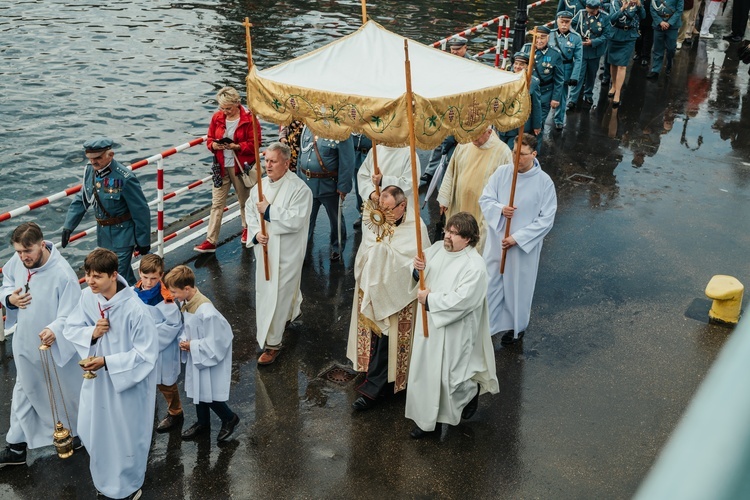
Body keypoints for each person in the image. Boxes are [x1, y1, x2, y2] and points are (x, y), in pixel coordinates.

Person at [63, 248, 158, 500]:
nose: (90, 281)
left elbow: (146, 355)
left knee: (125, 435)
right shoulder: (87, 298)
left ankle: (129, 486)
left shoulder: (136, 310)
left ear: (114, 275)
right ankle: (104, 482)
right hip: (97, 382)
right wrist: (92, 334)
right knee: (93, 429)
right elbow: (72, 327)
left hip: (126, 384)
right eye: (87, 275)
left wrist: (106, 361)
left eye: (97, 276)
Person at [405, 212, 500, 439]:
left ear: (468, 239)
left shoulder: (474, 266)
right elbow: (421, 272)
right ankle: (428, 422)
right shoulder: (438, 248)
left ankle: (471, 391)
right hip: (429, 326)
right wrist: (416, 268)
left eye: (454, 233)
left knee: (450, 380)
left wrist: (430, 301)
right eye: (447, 230)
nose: (447, 236)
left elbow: (463, 300)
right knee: (425, 373)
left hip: (454, 330)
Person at [0, 222, 82, 468]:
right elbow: (6, 283)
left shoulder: (63, 274)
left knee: (64, 392)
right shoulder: (18, 262)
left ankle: (77, 433)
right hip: (24, 342)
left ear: (42, 243)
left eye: (28, 251)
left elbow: (73, 314)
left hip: (52, 347)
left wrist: (54, 329)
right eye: (18, 252)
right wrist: (10, 299)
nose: (23, 257)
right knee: (24, 390)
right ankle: (16, 447)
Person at [346, 186, 430, 410]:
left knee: (388, 343)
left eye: (389, 209)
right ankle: (369, 372)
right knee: (373, 337)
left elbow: (422, 264)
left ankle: (376, 388)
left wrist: (417, 269)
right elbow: (366, 249)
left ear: (403, 206)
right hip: (372, 289)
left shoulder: (417, 229)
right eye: (381, 208)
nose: (383, 214)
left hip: (397, 296)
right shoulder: (377, 220)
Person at [479, 134, 557, 345]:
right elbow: (485, 199)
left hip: (523, 248)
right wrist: (501, 210)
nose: (516, 158)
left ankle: (516, 328)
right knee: (492, 284)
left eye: (521, 154)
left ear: (534, 154)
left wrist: (517, 238)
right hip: (497, 242)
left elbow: (546, 219)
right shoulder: (503, 173)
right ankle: (487, 326)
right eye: (514, 152)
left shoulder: (544, 183)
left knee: (517, 288)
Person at [246, 142, 313, 365]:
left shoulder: (300, 189)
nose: (268, 165)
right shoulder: (260, 187)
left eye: (273, 161)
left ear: (286, 163)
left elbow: (296, 220)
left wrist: (270, 211)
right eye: (266, 160)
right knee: (268, 292)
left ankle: (272, 344)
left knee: (278, 293)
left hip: (287, 253)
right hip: (266, 250)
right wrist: (256, 234)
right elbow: (250, 211)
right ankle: (291, 310)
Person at [164, 265, 239, 443]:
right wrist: (184, 340)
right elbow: (187, 327)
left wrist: (193, 345)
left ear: (187, 288)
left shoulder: (206, 311)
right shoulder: (187, 302)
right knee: (199, 389)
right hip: (196, 355)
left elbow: (219, 340)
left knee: (208, 393)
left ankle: (229, 418)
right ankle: (203, 422)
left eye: (174, 292)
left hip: (207, 357)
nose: (172, 296)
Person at [62, 137, 151, 285]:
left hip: (123, 236)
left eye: (97, 158)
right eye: (90, 158)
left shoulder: (124, 178)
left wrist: (143, 241)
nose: (93, 162)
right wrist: (68, 226)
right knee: (123, 276)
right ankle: (138, 300)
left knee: (115, 278)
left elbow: (140, 211)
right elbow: (82, 199)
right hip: (104, 236)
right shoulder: (91, 171)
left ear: (111, 155)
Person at [194, 86, 262, 253]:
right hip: (221, 166)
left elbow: (256, 144)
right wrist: (214, 145)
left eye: (228, 108)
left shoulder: (249, 119)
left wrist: (236, 146)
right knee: (217, 204)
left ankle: (247, 228)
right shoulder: (217, 117)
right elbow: (209, 139)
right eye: (222, 108)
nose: (225, 112)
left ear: (237, 104)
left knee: (244, 201)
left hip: (240, 167)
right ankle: (211, 240)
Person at [437, 127, 513, 253]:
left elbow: (507, 185)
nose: (472, 138)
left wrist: (500, 208)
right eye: (470, 133)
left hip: (483, 209)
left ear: (488, 132)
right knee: (457, 236)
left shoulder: (503, 151)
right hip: (461, 202)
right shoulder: (464, 143)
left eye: (476, 135)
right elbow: (451, 170)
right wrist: (444, 198)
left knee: (478, 243)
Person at [133, 254, 184, 434]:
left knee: (165, 383)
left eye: (153, 278)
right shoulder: (134, 291)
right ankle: (144, 413)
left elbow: (173, 324)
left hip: (161, 347)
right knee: (143, 380)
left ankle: (175, 412)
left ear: (161, 275)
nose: (148, 282)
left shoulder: (165, 298)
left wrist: (150, 336)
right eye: (145, 277)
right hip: (141, 343)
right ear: (139, 273)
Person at [295, 126, 354, 261]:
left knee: (335, 219)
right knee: (305, 220)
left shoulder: (340, 130)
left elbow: (347, 161)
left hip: (329, 185)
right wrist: (298, 181)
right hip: (307, 185)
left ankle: (337, 247)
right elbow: (301, 155)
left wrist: (343, 186)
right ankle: (303, 249)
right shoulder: (307, 127)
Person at [571, 0, 613, 105]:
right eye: (588, 11)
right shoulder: (581, 14)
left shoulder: (605, 17)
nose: (590, 14)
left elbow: (606, 35)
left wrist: (593, 42)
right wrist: (576, 38)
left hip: (595, 51)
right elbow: (571, 25)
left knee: (591, 74)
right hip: (582, 50)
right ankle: (572, 99)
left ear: (597, 9)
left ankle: (588, 94)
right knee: (579, 75)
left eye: (592, 12)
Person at [498, 52, 543, 149]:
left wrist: (537, 125)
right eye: (516, 63)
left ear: (527, 66)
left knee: (513, 151)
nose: (518, 67)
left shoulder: (532, 83)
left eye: (522, 64)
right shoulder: (505, 78)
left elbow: (536, 105)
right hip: (503, 125)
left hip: (519, 126)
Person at [532, 26, 565, 148]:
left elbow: (559, 78)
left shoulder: (554, 54)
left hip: (544, 94)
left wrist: (556, 98)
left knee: (538, 124)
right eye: (537, 38)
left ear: (548, 38)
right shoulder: (527, 49)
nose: (539, 41)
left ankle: (536, 152)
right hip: (527, 93)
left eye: (542, 38)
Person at [608, 0, 646, 106]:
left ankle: (618, 92)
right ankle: (614, 85)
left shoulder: (636, 3)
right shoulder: (615, 2)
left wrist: (639, 6)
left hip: (629, 35)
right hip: (615, 34)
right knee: (613, 62)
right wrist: (622, 9)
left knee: (622, 65)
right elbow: (612, 18)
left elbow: (643, 16)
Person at [357, 144, 418, 209]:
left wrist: (382, 180)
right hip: (374, 209)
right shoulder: (375, 150)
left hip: (398, 210)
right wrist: (371, 193)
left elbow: (410, 184)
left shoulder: (409, 154)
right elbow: (363, 176)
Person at [550, 11, 583, 121]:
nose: (564, 24)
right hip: (550, 69)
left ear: (570, 23)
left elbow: (578, 59)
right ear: (557, 21)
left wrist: (574, 76)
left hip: (565, 69)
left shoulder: (576, 38)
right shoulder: (550, 34)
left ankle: (559, 119)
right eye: (561, 22)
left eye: (567, 22)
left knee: (561, 95)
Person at [646, 0, 683, 79]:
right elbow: (652, 9)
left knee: (671, 48)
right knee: (657, 48)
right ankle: (655, 70)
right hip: (658, 24)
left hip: (672, 25)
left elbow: (679, 10)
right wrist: (660, 22)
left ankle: (669, 63)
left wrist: (669, 23)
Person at [351, 133, 373, 227]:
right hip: (356, 155)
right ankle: (362, 213)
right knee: (359, 187)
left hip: (371, 155)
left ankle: (376, 213)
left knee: (374, 186)